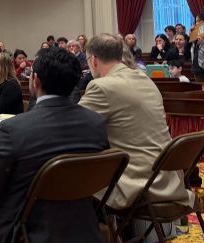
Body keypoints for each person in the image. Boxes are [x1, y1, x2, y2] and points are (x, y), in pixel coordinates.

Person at [0, 47, 109, 243]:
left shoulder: (14, 129)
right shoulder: (96, 123)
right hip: (83, 223)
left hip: (28, 231)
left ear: (35, 80)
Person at [79, 34, 192, 211]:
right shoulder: (145, 79)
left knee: (67, 179)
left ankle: (99, 237)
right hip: (166, 179)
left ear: (93, 60)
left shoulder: (101, 86)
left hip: (135, 185)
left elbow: (72, 127)